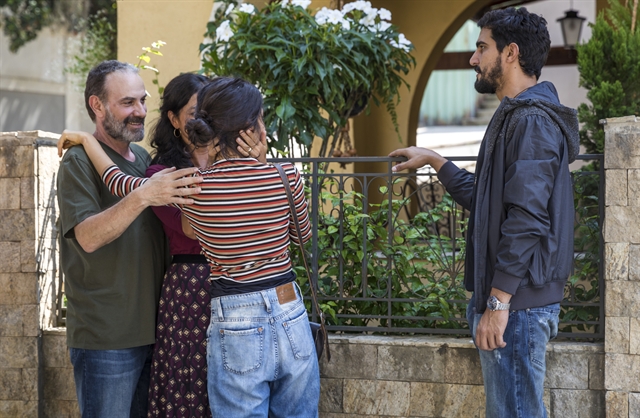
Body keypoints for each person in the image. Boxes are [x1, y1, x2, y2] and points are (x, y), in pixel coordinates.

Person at [57, 76, 321, 418]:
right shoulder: (286, 176)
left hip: (235, 314)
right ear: (254, 128)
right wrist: (263, 166)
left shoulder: (197, 189)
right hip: (289, 307)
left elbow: (120, 182)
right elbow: (302, 236)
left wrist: (86, 140)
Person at [389, 8, 580, 418]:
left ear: (510, 53)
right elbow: (490, 198)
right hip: (515, 304)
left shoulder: (530, 122)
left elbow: (527, 217)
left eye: (481, 48)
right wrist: (436, 161)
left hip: (518, 307)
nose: (473, 59)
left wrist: (498, 303)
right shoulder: (516, 117)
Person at [56, 60, 204, 418]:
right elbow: (88, 237)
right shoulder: (77, 162)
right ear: (97, 105)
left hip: (157, 333)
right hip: (107, 339)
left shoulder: (141, 157)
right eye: (127, 103)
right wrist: (143, 196)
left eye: (142, 100)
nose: (139, 111)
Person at [144, 73, 267, 418]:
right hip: (189, 288)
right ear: (173, 118)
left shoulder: (238, 161)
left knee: (241, 388)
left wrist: (255, 166)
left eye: (210, 114)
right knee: (187, 385)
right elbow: (191, 230)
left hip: (239, 283)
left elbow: (265, 215)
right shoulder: (162, 171)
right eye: (196, 112)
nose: (203, 122)